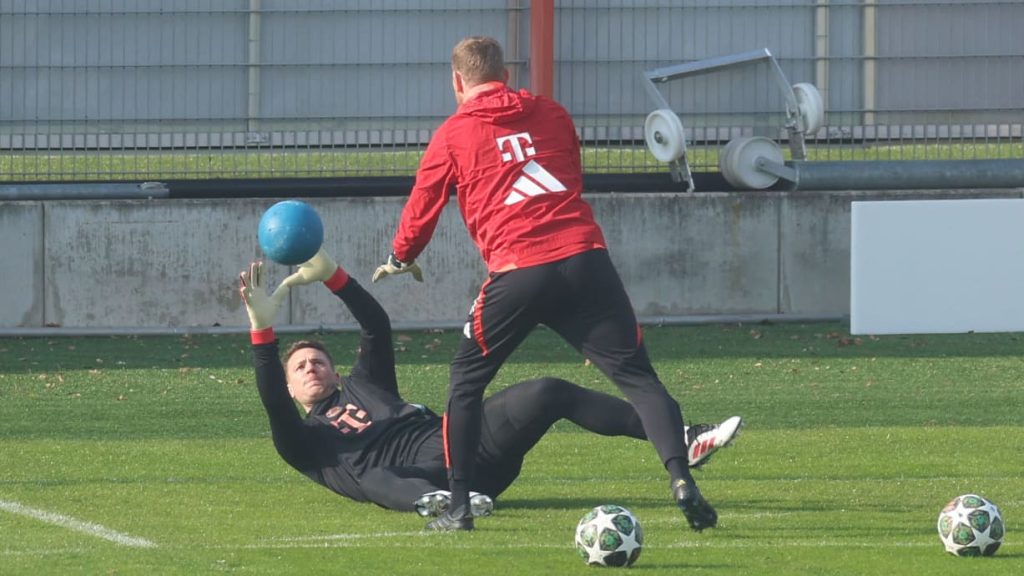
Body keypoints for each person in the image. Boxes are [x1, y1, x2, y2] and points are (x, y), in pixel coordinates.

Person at [371, 35, 721, 532]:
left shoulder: (454, 133)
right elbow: (570, 176)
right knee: (640, 380)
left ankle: (458, 507)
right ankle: (681, 479)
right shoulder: (553, 113)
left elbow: (423, 206)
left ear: (456, 82)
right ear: (506, 74)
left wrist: (400, 256)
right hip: (584, 260)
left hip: (517, 270)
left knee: (465, 385)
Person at [239, 249, 742, 516]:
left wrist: (333, 274)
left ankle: (683, 439)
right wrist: (263, 332)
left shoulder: (366, 384)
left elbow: (376, 326)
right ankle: (431, 503)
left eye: (317, 360)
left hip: (466, 451)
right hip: (414, 481)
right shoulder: (303, 443)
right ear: (288, 388)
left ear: (336, 370)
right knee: (372, 478)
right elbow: (270, 403)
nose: (311, 368)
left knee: (547, 390)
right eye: (300, 368)